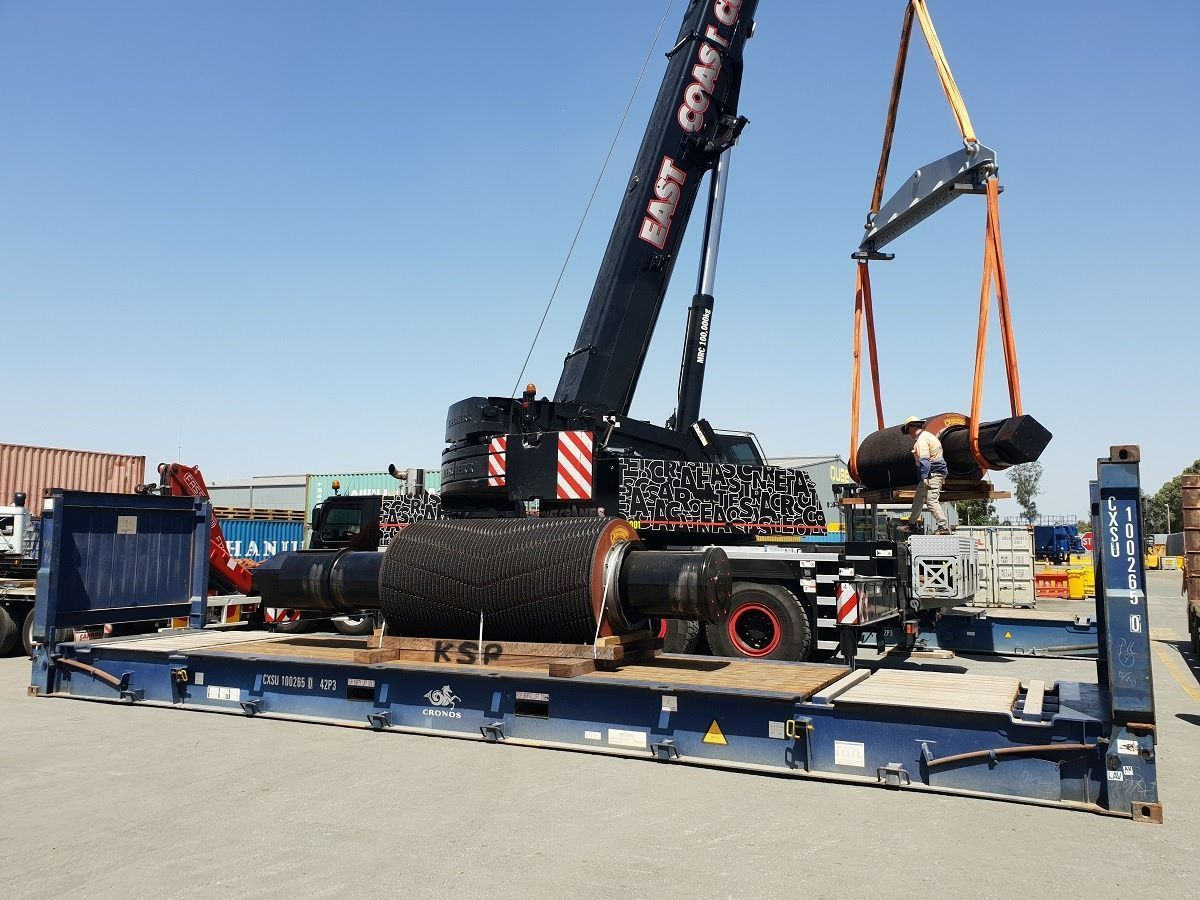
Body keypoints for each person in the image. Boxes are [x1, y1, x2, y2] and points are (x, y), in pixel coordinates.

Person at [902, 416, 952, 535]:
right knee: (918, 499)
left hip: (933, 474)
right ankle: (912, 525)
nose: (908, 433)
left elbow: (925, 460)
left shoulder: (922, 440)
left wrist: (924, 477)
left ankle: (943, 526)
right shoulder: (928, 436)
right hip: (930, 474)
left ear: (911, 427)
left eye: (908, 430)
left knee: (931, 501)